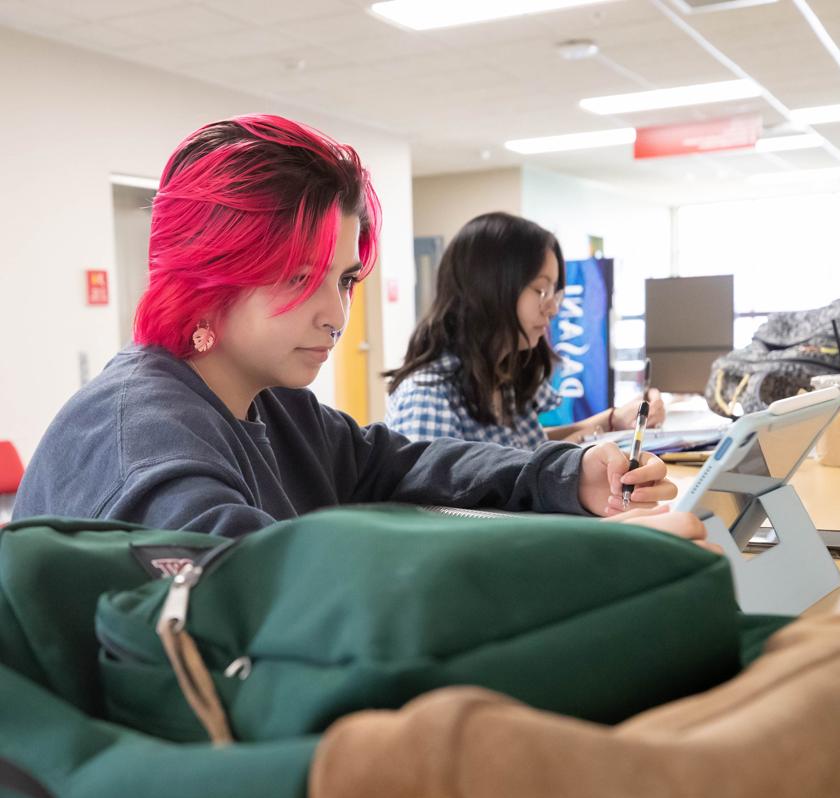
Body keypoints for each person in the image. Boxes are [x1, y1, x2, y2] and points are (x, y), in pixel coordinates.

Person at [14, 115, 706, 548]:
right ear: (209, 272)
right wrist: (611, 561)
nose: (336, 315)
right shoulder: (136, 431)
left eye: (343, 280)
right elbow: (262, 589)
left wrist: (570, 475)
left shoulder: (273, 403)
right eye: (296, 276)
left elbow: (405, 463)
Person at [384, 212, 664, 450]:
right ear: (490, 290)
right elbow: (430, 510)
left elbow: (527, 448)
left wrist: (613, 420)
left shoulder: (502, 373)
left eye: (555, 292)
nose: (553, 309)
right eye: (541, 290)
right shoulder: (428, 397)